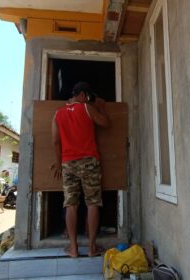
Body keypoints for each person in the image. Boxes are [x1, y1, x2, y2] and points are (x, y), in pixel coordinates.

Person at [51, 81, 110, 258]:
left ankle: (73, 248)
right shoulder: (86, 108)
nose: (89, 99)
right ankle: (92, 248)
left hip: (68, 163)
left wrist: (58, 162)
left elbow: (55, 141)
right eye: (88, 97)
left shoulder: (57, 114)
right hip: (89, 162)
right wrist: (100, 106)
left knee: (71, 204)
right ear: (83, 95)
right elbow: (106, 123)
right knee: (92, 203)